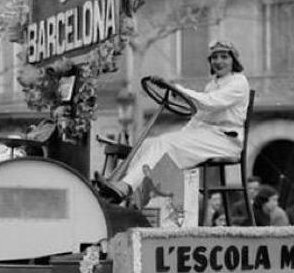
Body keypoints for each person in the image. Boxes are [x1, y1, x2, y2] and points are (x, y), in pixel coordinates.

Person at [96, 40, 249, 209]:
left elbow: (210, 102)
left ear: (233, 60)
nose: (218, 61)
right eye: (214, 57)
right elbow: (200, 117)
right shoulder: (212, 85)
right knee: (148, 143)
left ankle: (125, 188)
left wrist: (176, 89)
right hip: (207, 135)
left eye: (224, 57)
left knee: (164, 143)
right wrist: (183, 134)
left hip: (225, 141)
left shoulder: (238, 83)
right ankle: (120, 187)